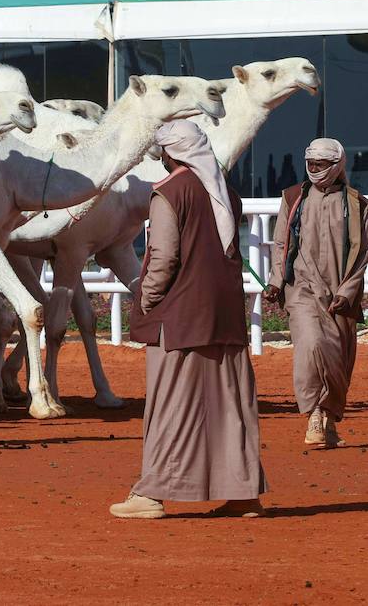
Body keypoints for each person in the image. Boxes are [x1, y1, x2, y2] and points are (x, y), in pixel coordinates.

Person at [111, 120, 268, 520]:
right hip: (225, 316)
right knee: (230, 406)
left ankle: (152, 494)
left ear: (171, 153)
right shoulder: (225, 194)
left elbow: (163, 258)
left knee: (170, 404)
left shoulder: (170, 192)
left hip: (180, 319)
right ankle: (243, 494)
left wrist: (147, 300)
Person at [264, 138, 366, 448]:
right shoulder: (293, 197)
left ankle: (329, 418)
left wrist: (348, 292)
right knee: (310, 348)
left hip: (338, 294)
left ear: (337, 166)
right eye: (311, 164)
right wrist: (276, 281)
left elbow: (361, 255)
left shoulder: (356, 204)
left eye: (321, 165)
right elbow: (281, 243)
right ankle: (314, 414)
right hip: (302, 290)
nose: (315, 169)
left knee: (338, 361)